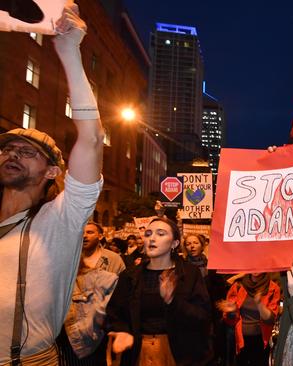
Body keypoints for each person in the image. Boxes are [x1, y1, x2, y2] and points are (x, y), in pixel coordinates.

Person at [0, 4, 104, 364]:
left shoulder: (61, 220)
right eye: (8, 149)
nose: (13, 154)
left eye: (28, 153)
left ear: (50, 172)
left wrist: (69, 52)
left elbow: (91, 139)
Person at [106, 217, 212, 365]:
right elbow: (115, 312)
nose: (152, 238)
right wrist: (122, 331)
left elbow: (203, 316)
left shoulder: (189, 274)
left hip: (179, 354)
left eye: (160, 234)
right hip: (139, 353)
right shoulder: (130, 276)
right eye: (148, 234)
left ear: (174, 243)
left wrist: (173, 301)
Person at [57, 222, 126, 365]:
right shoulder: (71, 257)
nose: (84, 236)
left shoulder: (113, 259)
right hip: (74, 330)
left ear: (100, 236)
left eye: (90, 232)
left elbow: (121, 293)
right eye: (82, 232)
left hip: (102, 327)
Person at [221, 272, 281, 365]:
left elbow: (270, 320)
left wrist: (259, 304)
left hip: (261, 340)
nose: (256, 269)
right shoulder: (238, 286)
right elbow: (229, 320)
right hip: (241, 339)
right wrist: (232, 311)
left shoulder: (272, 287)